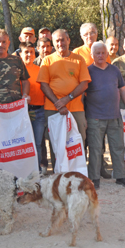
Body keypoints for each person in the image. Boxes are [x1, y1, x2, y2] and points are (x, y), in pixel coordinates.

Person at [37, 29, 91, 168]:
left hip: (76, 109)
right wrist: (58, 104)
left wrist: (67, 99)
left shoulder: (79, 59)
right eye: (57, 41)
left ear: (69, 40)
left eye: (63, 39)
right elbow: (43, 85)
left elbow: (84, 83)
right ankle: (59, 174)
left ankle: (78, 172)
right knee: (56, 142)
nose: (60, 43)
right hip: (53, 109)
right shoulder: (47, 60)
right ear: (53, 43)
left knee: (78, 142)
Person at [85, 42, 125, 189]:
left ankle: (120, 176)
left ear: (107, 54)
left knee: (118, 147)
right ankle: (94, 178)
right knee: (95, 149)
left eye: (103, 53)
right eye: (97, 53)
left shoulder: (114, 70)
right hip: (95, 117)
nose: (100, 55)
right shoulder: (88, 71)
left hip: (114, 116)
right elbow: (82, 94)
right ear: (92, 55)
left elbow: (123, 90)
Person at [0, 29, 30, 168]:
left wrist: (25, 95)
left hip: (14, 112)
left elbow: (25, 81)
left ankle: (15, 173)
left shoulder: (17, 60)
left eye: (4, 42)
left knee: (15, 145)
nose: (0, 44)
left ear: (8, 43)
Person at [19, 43, 46, 168]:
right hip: (21, 112)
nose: (29, 54)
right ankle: (23, 169)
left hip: (39, 111)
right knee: (22, 143)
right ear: (20, 54)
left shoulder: (40, 70)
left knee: (37, 142)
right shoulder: (16, 71)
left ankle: (37, 170)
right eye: (26, 52)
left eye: (31, 52)